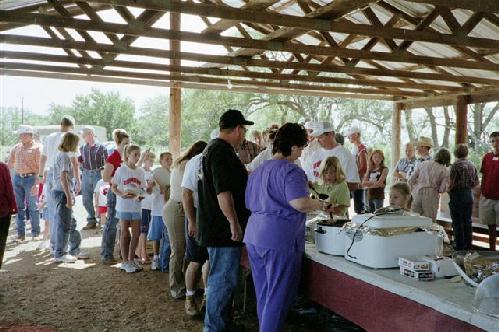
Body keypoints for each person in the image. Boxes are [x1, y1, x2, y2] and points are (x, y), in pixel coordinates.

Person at [245, 123, 325, 332]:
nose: (300, 154)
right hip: (278, 238)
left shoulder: (258, 170)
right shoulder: (291, 170)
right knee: (278, 297)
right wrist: (319, 204)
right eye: (300, 148)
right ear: (293, 146)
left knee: (264, 293)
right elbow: (299, 202)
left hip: (254, 235)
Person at [197, 109, 253, 331]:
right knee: (222, 279)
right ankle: (214, 327)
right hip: (222, 229)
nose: (244, 134)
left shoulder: (213, 149)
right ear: (238, 129)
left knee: (223, 277)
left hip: (216, 226)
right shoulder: (221, 152)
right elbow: (223, 192)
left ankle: (222, 322)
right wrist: (233, 222)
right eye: (244, 130)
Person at [39, 115, 79, 252]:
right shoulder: (70, 137)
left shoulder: (49, 137)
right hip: (63, 175)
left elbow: (43, 158)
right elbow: (74, 162)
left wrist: (40, 175)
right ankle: (63, 247)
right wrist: (78, 180)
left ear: (60, 124)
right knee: (64, 213)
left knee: (52, 211)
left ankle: (54, 244)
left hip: (50, 173)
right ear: (72, 126)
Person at [111, 144, 150, 273]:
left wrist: (143, 194)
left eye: (139, 155)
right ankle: (125, 262)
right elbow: (113, 187)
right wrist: (122, 194)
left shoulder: (140, 172)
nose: (138, 157)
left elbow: (143, 189)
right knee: (124, 233)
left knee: (136, 234)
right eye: (135, 155)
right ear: (128, 155)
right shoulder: (121, 170)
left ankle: (131, 258)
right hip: (123, 207)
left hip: (136, 206)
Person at [181, 141, 209, 316]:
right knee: (196, 259)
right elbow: (186, 193)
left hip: (214, 215)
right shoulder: (196, 161)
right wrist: (192, 220)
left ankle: (207, 297)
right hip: (198, 213)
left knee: (210, 260)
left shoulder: (226, 157)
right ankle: (189, 297)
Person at [52, 132, 84, 263]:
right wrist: (69, 195)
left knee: (71, 222)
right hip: (62, 192)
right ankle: (60, 253)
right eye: (76, 143)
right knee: (64, 224)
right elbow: (63, 177)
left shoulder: (63, 155)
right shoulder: (64, 156)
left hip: (62, 192)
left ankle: (73, 250)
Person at [100, 129, 129, 265]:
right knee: (111, 222)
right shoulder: (113, 157)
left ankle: (123, 253)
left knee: (123, 225)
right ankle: (106, 254)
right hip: (115, 191)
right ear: (118, 143)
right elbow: (105, 177)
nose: (127, 146)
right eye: (125, 143)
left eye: (129, 143)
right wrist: (118, 182)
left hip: (126, 193)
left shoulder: (127, 157)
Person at [8, 125, 42, 241]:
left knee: (33, 206)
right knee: (19, 207)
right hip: (17, 178)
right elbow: (10, 163)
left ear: (30, 135)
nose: (21, 136)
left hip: (31, 179)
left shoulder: (37, 148)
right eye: (20, 134)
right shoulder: (16, 147)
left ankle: (35, 233)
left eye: (23, 134)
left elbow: (40, 168)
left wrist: (37, 184)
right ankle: (20, 235)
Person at [306, 122, 360, 191]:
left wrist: (333, 191)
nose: (318, 141)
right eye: (316, 138)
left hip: (338, 201)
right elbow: (309, 178)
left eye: (320, 137)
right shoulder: (315, 155)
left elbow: (354, 184)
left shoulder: (346, 155)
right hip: (317, 199)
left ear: (331, 134)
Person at [449, 144, 479, 251]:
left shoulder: (455, 165)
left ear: (455, 153)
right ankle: (468, 246)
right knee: (467, 221)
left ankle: (459, 247)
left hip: (457, 194)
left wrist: (449, 191)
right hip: (469, 195)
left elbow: (451, 183)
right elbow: (476, 183)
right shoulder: (472, 165)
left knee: (457, 222)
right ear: (466, 153)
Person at [79, 126, 108, 230]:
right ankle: (91, 220)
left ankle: (102, 219)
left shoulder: (102, 147)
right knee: (86, 199)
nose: (82, 137)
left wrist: (104, 174)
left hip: (97, 173)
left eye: (84, 134)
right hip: (86, 174)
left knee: (100, 198)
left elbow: (106, 162)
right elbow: (79, 161)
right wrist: (81, 169)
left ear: (90, 134)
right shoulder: (82, 148)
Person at [409, 148, 450, 222]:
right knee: (429, 221)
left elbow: (411, 180)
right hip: (431, 195)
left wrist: (413, 191)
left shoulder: (424, 163)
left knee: (414, 219)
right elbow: (442, 189)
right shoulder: (444, 171)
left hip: (418, 193)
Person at [149, 152, 172, 271]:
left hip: (168, 209)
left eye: (171, 158)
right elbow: (152, 187)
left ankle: (165, 259)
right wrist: (162, 188)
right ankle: (156, 258)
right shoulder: (157, 172)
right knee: (157, 236)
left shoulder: (172, 173)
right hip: (158, 209)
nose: (169, 160)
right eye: (167, 159)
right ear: (161, 161)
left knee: (167, 236)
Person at [479, 132, 499, 251]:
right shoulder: (486, 157)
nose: (495, 144)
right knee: (490, 227)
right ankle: (492, 251)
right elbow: (484, 175)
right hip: (487, 198)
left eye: (498, 140)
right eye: (493, 141)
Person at [138, 151, 155, 263]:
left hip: (151, 205)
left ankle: (139, 251)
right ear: (144, 159)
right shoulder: (141, 171)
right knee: (143, 230)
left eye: (152, 159)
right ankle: (143, 253)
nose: (152, 161)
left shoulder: (152, 172)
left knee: (146, 229)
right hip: (143, 204)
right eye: (149, 159)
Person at [346, 125, 368, 214]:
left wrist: (355, 176)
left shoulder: (361, 148)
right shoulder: (354, 148)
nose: (348, 137)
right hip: (353, 179)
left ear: (356, 135)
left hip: (357, 181)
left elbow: (363, 167)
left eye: (350, 135)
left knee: (359, 207)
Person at [0, 161, 17, 269]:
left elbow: (9, 189)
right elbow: (9, 189)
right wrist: (12, 207)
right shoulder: (2, 167)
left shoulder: (2, 167)